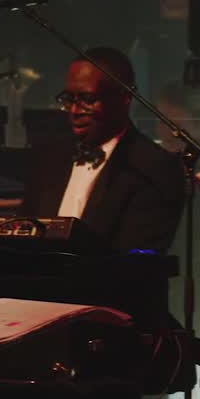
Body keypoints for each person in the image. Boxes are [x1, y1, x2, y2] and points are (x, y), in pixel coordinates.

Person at [20, 47, 186, 254]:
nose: (75, 111)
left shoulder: (154, 168)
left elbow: (136, 258)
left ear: (124, 97)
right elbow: (25, 238)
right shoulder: (50, 158)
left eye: (88, 99)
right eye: (69, 99)